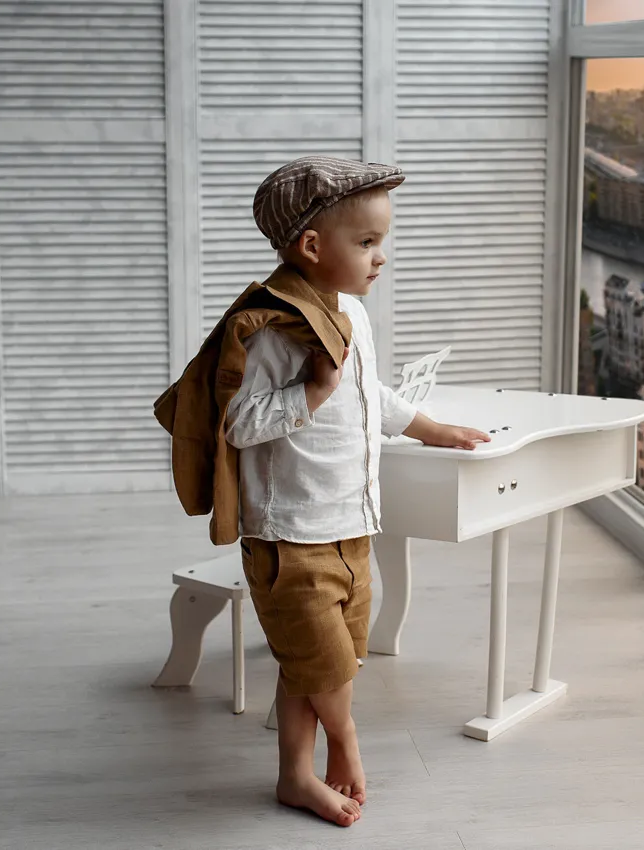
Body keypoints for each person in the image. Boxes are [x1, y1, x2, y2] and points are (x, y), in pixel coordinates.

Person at [230, 156, 489, 827]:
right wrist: (310, 390)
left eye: (382, 242)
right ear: (312, 247)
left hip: (351, 526)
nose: (382, 258)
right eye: (368, 243)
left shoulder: (351, 315)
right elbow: (237, 422)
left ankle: (294, 777)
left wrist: (429, 427)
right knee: (327, 669)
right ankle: (344, 745)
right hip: (292, 537)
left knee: (317, 661)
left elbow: (367, 393)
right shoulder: (275, 327)